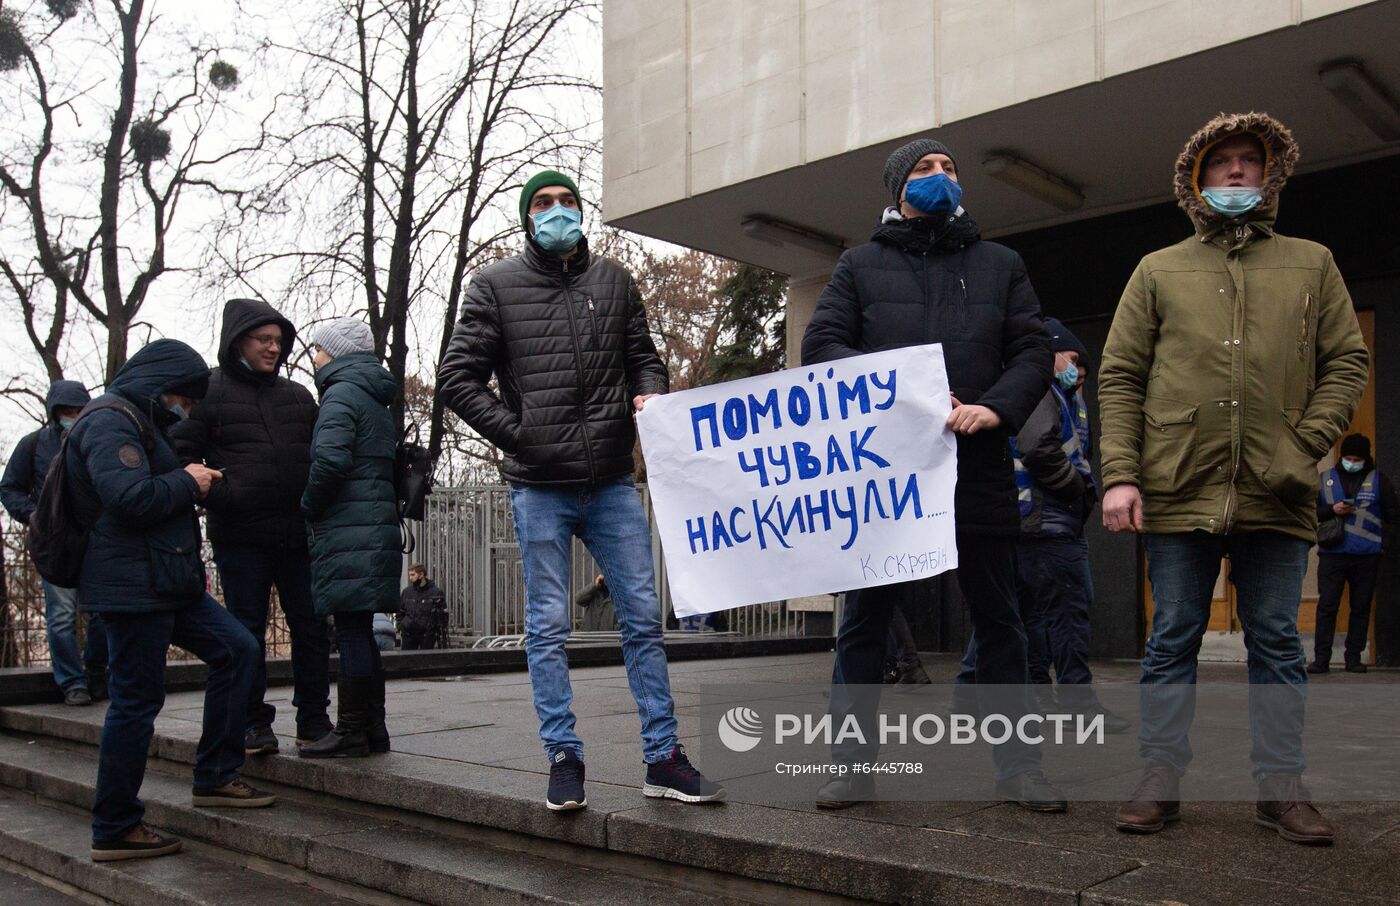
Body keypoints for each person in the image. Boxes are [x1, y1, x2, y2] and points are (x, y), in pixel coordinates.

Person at [1099, 113, 1369, 845]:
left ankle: (1280, 790)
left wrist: (1304, 443)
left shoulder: (1312, 262)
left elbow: (1349, 362)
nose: (1240, 172)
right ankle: (1159, 780)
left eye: (1253, 161)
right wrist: (1121, 474)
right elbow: (1120, 376)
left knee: (1278, 640)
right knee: (1173, 638)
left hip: (1277, 489)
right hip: (1178, 484)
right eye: (1224, 163)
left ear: (1272, 173)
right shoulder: (1158, 268)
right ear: (1198, 178)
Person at [437, 168, 725, 810]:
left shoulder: (614, 282)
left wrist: (650, 391)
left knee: (644, 619)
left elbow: (643, 354)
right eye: (543, 203)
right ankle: (563, 758)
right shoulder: (495, 286)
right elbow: (458, 378)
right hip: (539, 484)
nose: (557, 210)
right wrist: (520, 436)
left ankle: (663, 757)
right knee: (545, 625)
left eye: (567, 200)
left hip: (612, 483)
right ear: (526, 217)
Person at [801, 138, 1060, 811]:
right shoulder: (858, 266)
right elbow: (823, 345)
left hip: (976, 466)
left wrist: (993, 409)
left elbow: (1033, 350)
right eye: (924, 169)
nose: (941, 176)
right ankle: (850, 766)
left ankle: (1019, 769)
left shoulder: (1002, 265)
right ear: (896, 190)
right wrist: (903, 401)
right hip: (888, 475)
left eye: (950, 166)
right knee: (866, 621)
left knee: (1001, 620)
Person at [67, 339, 274, 863]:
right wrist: (188, 479)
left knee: (238, 650)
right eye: (183, 399)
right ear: (161, 386)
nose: (186, 410)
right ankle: (114, 825)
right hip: (134, 589)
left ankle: (216, 774)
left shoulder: (142, 422)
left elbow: (147, 495)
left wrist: (187, 488)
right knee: (136, 702)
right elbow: (130, 499)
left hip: (167, 580)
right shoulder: (110, 422)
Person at [173, 299, 332, 754]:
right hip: (241, 536)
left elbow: (320, 454)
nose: (273, 348)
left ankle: (314, 719)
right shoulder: (210, 392)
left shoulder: (297, 397)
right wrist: (222, 493)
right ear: (238, 340)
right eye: (264, 339)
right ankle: (252, 723)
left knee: (312, 626)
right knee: (246, 631)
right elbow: (182, 456)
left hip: (297, 533)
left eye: (279, 341)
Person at [957, 319, 1130, 730]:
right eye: (1071, 361)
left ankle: (970, 697)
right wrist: (1077, 489)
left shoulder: (1044, 392)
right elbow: (1039, 448)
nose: (1075, 372)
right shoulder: (1041, 391)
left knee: (1009, 612)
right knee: (1067, 611)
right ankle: (1076, 705)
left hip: (1027, 519)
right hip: (1049, 520)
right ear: (1051, 354)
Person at [298, 319, 401, 759]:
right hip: (374, 524)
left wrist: (306, 505)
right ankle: (373, 728)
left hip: (347, 528)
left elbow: (330, 463)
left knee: (352, 632)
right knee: (360, 629)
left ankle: (352, 730)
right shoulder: (373, 396)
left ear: (335, 354)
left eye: (318, 350)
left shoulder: (340, 394)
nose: (315, 358)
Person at [2, 380, 109, 705]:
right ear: (54, 413)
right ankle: (71, 682)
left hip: (95, 542)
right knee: (61, 615)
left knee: (103, 613)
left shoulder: (98, 440)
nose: (73, 416)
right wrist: (36, 516)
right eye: (67, 411)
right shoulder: (33, 444)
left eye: (78, 411)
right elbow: (9, 488)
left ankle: (95, 673)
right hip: (55, 544)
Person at [1310, 434, 1397, 674]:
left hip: (1367, 555)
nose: (1352, 462)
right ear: (1341, 457)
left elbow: (1393, 516)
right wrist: (1331, 510)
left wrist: (1384, 543)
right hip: (1332, 553)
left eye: (1357, 458)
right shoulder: (1325, 479)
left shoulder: (1379, 481)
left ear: (1365, 458)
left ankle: (1353, 658)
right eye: (1348, 458)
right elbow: (1309, 512)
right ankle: (1321, 659)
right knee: (1327, 606)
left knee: (1361, 607)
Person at [399, 563, 448, 650]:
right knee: (407, 661)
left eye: (413, 575)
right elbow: (401, 611)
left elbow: (443, 615)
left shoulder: (436, 592)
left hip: (427, 635)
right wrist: (402, 626)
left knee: (425, 661)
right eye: (410, 575)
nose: (410, 578)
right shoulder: (406, 592)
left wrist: (433, 630)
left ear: (421, 574)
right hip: (409, 634)